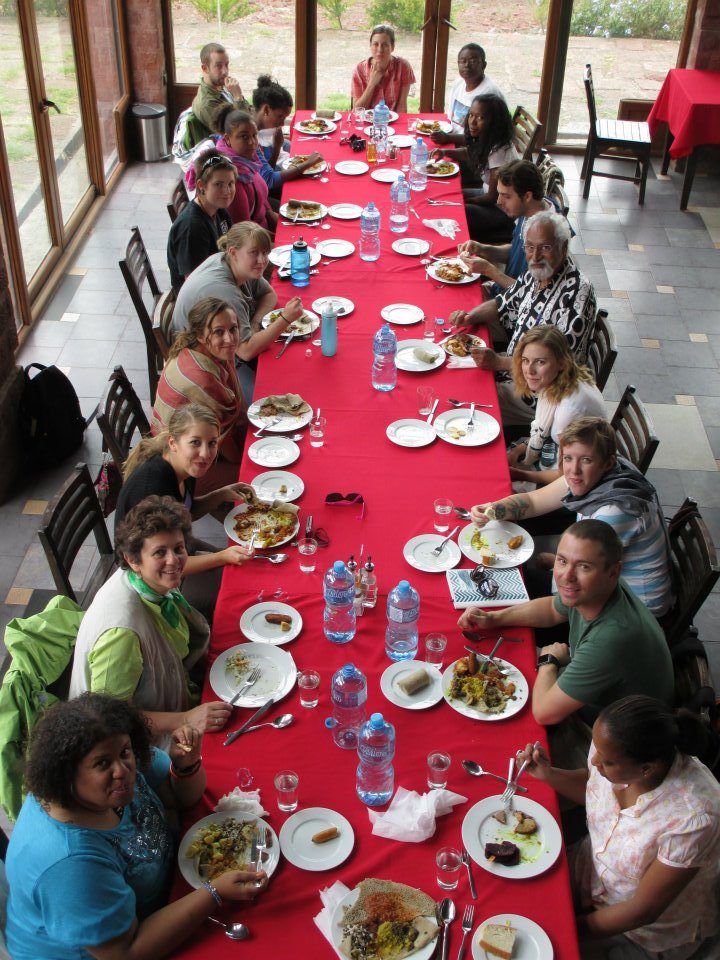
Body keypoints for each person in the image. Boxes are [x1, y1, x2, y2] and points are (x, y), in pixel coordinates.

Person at [5, 693, 266, 960]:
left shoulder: (114, 757)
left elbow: (180, 797)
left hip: (169, 896)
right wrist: (214, 892)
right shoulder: (69, 863)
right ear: (67, 774)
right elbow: (127, 951)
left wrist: (185, 766)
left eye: (124, 753)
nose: (123, 771)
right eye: (102, 764)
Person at [516, 696, 720, 959]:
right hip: (592, 872)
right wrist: (549, 774)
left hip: (639, 932)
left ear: (646, 769)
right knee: (515, 898)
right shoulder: (612, 744)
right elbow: (595, 790)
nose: (594, 761)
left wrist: (566, 928)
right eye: (597, 750)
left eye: (607, 761)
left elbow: (642, 911)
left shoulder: (693, 818)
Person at [459, 520, 674, 734]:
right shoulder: (599, 588)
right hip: (596, 698)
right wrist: (495, 618)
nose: (567, 576)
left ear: (614, 571)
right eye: (562, 561)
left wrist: (549, 661)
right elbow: (553, 609)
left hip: (615, 742)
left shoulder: (610, 640)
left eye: (583, 566)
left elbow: (544, 713)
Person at [472, 417, 672, 614]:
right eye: (568, 458)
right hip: (599, 574)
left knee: (507, 586)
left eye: (586, 460)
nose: (573, 470)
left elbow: (567, 595)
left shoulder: (613, 512)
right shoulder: (602, 470)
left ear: (607, 463)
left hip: (633, 610)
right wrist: (492, 510)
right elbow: (534, 502)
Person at [69, 497, 233, 738]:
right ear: (133, 560)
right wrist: (186, 719)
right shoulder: (121, 635)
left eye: (178, 548)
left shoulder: (150, 581)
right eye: (159, 552)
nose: (174, 561)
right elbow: (109, 719)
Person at [450, 211, 597, 424]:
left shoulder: (577, 294)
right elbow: (503, 303)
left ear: (564, 248)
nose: (535, 256)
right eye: (530, 247)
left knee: (466, 400)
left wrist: (499, 362)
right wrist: (469, 318)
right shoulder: (536, 273)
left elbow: (556, 367)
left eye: (545, 248)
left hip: (542, 393)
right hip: (516, 365)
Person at [116, 403, 254, 576]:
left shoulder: (183, 466)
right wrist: (221, 557)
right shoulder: (154, 488)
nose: (205, 454)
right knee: (238, 579)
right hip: (150, 579)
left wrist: (220, 495)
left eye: (212, 443)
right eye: (195, 442)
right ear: (173, 443)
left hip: (178, 551)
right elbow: (164, 564)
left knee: (246, 566)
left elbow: (185, 513)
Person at [170, 223, 299, 362]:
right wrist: (285, 319)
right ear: (233, 252)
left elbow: (269, 294)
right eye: (253, 252)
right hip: (198, 359)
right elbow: (246, 352)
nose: (261, 260)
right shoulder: (226, 292)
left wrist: (255, 322)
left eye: (265, 253)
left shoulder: (235, 264)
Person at [506, 326, 606, 485]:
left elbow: (567, 474)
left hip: (572, 483)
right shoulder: (563, 379)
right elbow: (544, 435)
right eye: (525, 360)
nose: (529, 370)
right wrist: (517, 451)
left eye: (540, 362)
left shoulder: (567, 413)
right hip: (553, 453)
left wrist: (520, 474)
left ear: (561, 363)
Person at [154, 297, 248, 463]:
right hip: (179, 461)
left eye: (233, 329)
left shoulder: (195, 350)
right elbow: (220, 438)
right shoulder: (204, 381)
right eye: (219, 332)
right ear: (199, 335)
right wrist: (242, 464)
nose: (229, 339)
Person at [457, 160, 558, 291]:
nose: (498, 201)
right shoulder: (531, 209)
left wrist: (490, 271)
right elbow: (516, 250)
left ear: (527, 196)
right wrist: (482, 249)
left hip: (516, 304)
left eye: (506, 196)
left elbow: (532, 295)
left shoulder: (549, 237)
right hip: (504, 290)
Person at [431, 94, 518, 244]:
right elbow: (470, 153)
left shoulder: (499, 151)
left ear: (494, 122)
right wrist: (446, 152)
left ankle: (448, 247)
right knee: (444, 196)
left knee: (453, 212)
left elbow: (491, 197)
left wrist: (462, 201)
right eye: (471, 115)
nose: (472, 121)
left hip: (502, 211)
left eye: (480, 118)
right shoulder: (488, 138)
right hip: (487, 194)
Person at [186, 106, 277, 232]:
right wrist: (279, 241)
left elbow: (263, 203)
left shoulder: (248, 161)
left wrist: (280, 226)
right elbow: (244, 232)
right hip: (252, 242)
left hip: (263, 230)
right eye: (244, 137)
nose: (252, 142)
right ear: (227, 139)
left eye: (254, 135)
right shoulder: (231, 177)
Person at [167, 151, 234, 291]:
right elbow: (195, 286)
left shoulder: (218, 208)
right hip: (201, 302)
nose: (227, 191)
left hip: (221, 278)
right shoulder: (192, 228)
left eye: (230, 183)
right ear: (201, 186)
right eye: (218, 184)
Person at [251, 74, 323, 196]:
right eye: (280, 116)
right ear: (266, 110)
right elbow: (269, 180)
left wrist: (277, 148)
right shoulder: (250, 137)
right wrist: (307, 164)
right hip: (259, 195)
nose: (283, 123)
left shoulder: (265, 130)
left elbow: (268, 168)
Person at [184, 41, 251, 149]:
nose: (225, 71)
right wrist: (238, 97)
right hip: (234, 153)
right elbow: (242, 131)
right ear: (205, 68)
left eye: (227, 65)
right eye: (218, 66)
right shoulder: (207, 104)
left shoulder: (221, 87)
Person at [433, 43, 506, 137]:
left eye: (473, 61)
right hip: (454, 137)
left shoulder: (489, 94)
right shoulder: (458, 83)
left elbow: (484, 138)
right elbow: (450, 118)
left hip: (476, 147)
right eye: (462, 61)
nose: (467, 65)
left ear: (484, 65)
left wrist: (448, 138)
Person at [351, 24, 415, 112]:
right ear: (370, 46)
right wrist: (372, 84)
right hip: (367, 122)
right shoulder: (360, 69)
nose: (380, 49)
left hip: (393, 121)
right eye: (375, 44)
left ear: (392, 47)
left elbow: (402, 105)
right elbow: (357, 111)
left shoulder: (403, 66)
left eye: (385, 45)